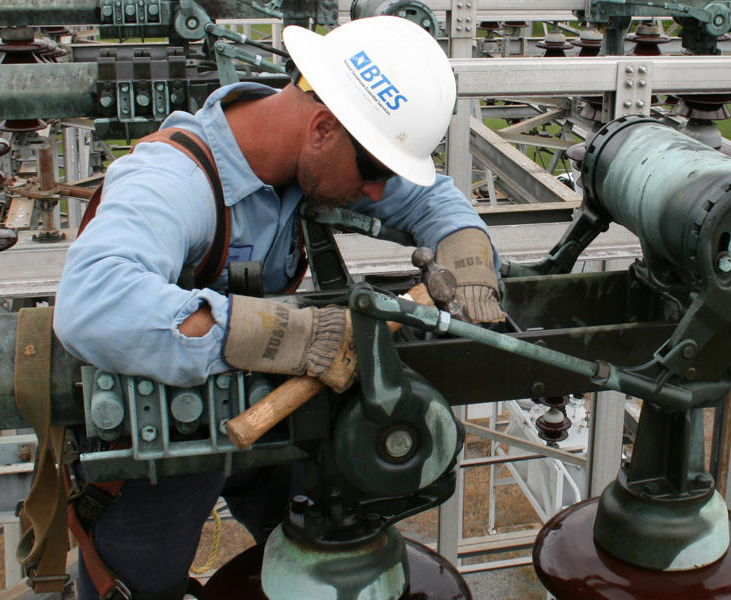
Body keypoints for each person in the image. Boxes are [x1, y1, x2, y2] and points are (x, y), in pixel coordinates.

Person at [53, 15, 503, 600]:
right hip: (162, 439)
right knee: (135, 587)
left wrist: (469, 261)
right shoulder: (172, 179)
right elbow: (92, 302)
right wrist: (288, 336)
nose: (375, 193)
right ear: (322, 127)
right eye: (373, 171)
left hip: (266, 415)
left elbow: (434, 199)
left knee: (327, 538)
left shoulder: (307, 152)